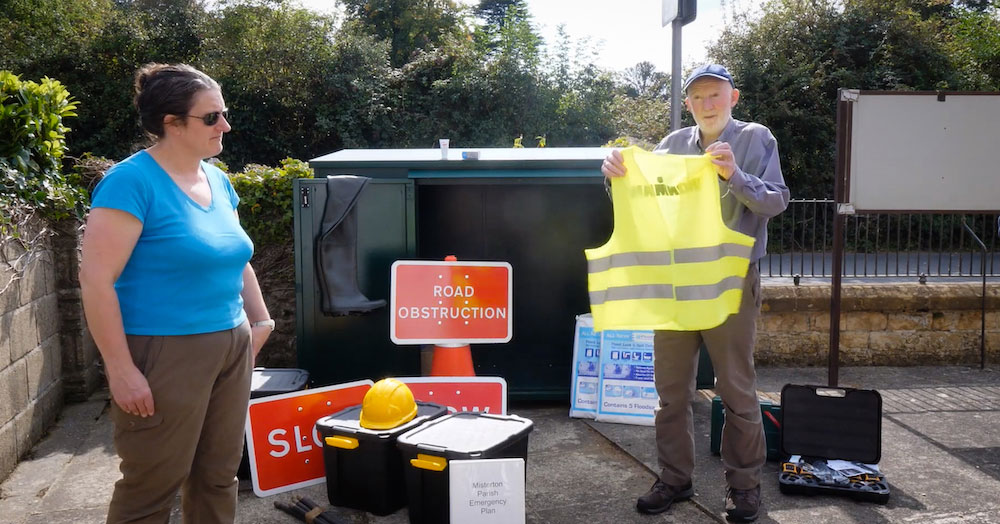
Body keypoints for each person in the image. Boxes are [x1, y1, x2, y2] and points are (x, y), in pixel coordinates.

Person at [79, 63, 273, 524]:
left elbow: (235, 256)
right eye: (211, 117)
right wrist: (120, 370)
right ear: (173, 123)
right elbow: (96, 279)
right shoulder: (130, 182)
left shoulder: (217, 178)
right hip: (165, 351)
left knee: (218, 477)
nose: (225, 126)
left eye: (224, 114)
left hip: (232, 344)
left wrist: (261, 320)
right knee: (152, 485)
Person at [601, 63, 790, 522]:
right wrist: (615, 177)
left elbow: (776, 200)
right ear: (687, 103)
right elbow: (645, 203)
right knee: (670, 391)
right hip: (677, 285)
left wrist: (734, 176)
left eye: (715, 95)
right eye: (698, 97)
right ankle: (674, 478)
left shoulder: (756, 139)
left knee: (737, 390)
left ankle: (744, 487)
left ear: (733, 97)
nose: (707, 104)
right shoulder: (671, 145)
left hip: (731, 283)